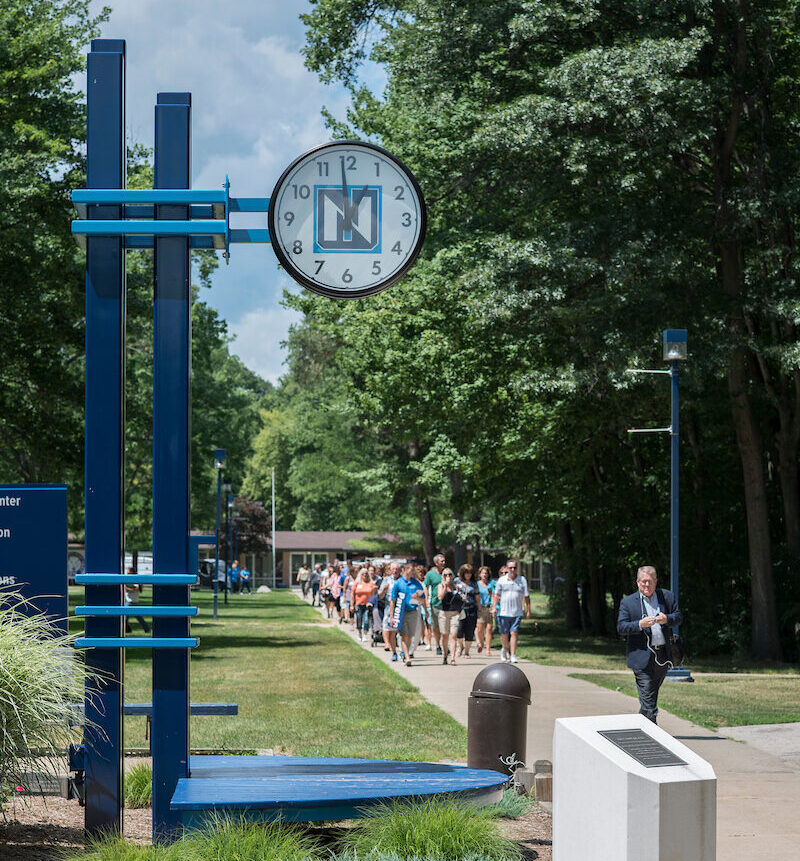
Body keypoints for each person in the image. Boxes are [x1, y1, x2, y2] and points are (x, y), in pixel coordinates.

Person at [616, 565, 682, 724]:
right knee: (649, 702)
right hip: (641, 657)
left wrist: (667, 619)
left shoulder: (666, 596)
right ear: (638, 582)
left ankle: (641, 726)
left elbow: (678, 617)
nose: (647, 585)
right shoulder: (628, 602)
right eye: (644, 582)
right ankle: (654, 736)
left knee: (650, 697)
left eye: (650, 582)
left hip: (663, 656)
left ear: (656, 581)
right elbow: (621, 627)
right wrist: (640, 624)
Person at [491, 560, 531, 663]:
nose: (512, 570)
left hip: (516, 612)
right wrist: (494, 607)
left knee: (514, 633)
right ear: (507, 568)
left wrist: (528, 609)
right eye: (510, 568)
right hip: (503, 612)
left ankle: (513, 654)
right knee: (504, 634)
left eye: (514, 568)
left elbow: (526, 596)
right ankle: (504, 649)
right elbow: (497, 595)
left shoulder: (522, 580)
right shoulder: (502, 580)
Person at [390, 562, 428, 667]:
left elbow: (423, 598)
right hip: (401, 612)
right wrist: (392, 616)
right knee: (404, 635)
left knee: (410, 636)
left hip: (413, 612)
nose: (413, 572)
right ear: (406, 570)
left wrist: (418, 598)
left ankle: (405, 653)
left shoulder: (416, 583)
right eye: (412, 570)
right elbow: (392, 601)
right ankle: (407, 657)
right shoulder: (398, 583)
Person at [437, 568, 462, 665]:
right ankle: (445, 656)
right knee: (445, 635)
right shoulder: (441, 586)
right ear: (442, 577)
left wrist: (459, 593)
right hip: (444, 613)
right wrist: (445, 587)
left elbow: (461, 597)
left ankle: (452, 658)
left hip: (455, 613)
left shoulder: (456, 586)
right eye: (445, 575)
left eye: (450, 574)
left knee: (454, 635)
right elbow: (440, 597)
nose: (448, 577)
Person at [454, 563, 479, 658]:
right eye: (466, 572)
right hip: (460, 609)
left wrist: (479, 609)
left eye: (470, 573)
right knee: (459, 630)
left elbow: (477, 596)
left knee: (470, 630)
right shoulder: (457, 581)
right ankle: (460, 647)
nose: (468, 574)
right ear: (462, 573)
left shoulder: (474, 583)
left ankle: (467, 652)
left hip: (471, 608)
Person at [424, 553, 446, 656]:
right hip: (435, 604)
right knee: (436, 627)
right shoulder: (430, 574)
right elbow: (426, 587)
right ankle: (438, 645)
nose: (444, 563)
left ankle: (445, 645)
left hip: (447, 604)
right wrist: (427, 601)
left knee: (445, 627)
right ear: (436, 563)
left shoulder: (447, 573)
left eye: (444, 561)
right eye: (442, 561)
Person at [381, 562, 402, 659]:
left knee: (402, 632)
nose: (395, 571)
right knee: (392, 632)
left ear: (400, 570)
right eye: (393, 569)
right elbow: (380, 596)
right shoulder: (387, 580)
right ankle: (394, 652)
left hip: (402, 608)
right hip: (389, 608)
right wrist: (384, 590)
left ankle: (402, 650)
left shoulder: (403, 580)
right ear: (390, 570)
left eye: (397, 569)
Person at [476, 565, 496, 655]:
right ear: (479, 574)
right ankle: (481, 643)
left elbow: (494, 595)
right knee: (480, 629)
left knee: (489, 628)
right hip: (480, 608)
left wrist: (493, 607)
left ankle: (488, 649)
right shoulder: (477, 584)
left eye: (486, 573)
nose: (484, 575)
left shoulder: (491, 584)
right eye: (483, 573)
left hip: (489, 607)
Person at [353, 568, 377, 641]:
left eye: (366, 574)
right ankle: (359, 632)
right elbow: (352, 594)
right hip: (359, 604)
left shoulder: (371, 583)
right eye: (363, 574)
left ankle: (365, 634)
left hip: (367, 605)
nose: (365, 575)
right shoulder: (357, 583)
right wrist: (352, 604)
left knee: (366, 620)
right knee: (359, 619)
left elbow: (375, 593)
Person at [123, 569, 151, 634]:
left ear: (132, 573)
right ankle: (147, 629)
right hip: (131, 601)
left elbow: (137, 588)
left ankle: (127, 630)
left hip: (131, 601)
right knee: (139, 618)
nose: (127, 574)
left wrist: (127, 589)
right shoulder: (128, 580)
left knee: (125, 618)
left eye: (128, 572)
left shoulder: (135, 580)